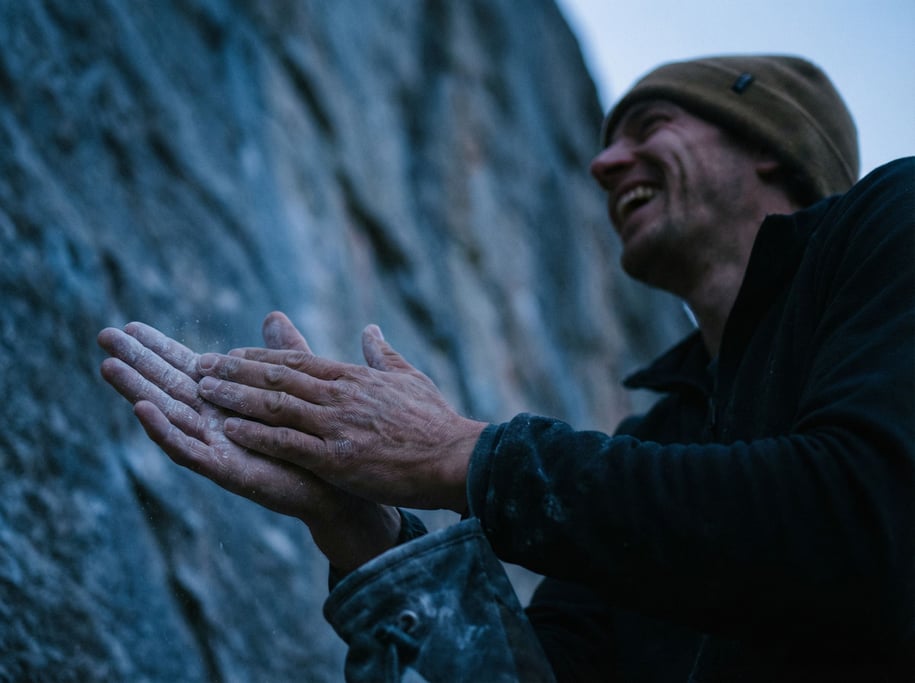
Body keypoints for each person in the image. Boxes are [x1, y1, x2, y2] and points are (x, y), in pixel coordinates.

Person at [99, 54, 914, 681]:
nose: (603, 165)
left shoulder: (893, 221)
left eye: (650, 125)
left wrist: (460, 454)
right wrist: (367, 537)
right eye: (605, 144)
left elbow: (865, 518)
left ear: (772, 142)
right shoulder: (658, 436)